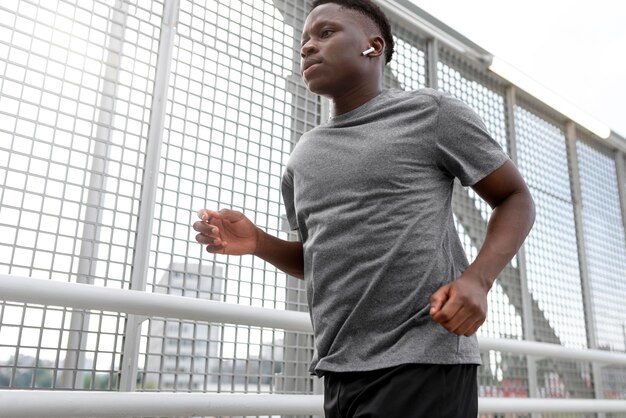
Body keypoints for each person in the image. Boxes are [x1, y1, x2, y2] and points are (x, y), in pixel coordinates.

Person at [193, 0, 535, 416]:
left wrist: (478, 280)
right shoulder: (302, 156)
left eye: (325, 33)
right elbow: (317, 257)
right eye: (304, 40)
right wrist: (259, 243)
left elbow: (515, 198)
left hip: (422, 359)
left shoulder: (431, 113)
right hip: (339, 369)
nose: (307, 47)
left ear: (373, 47)